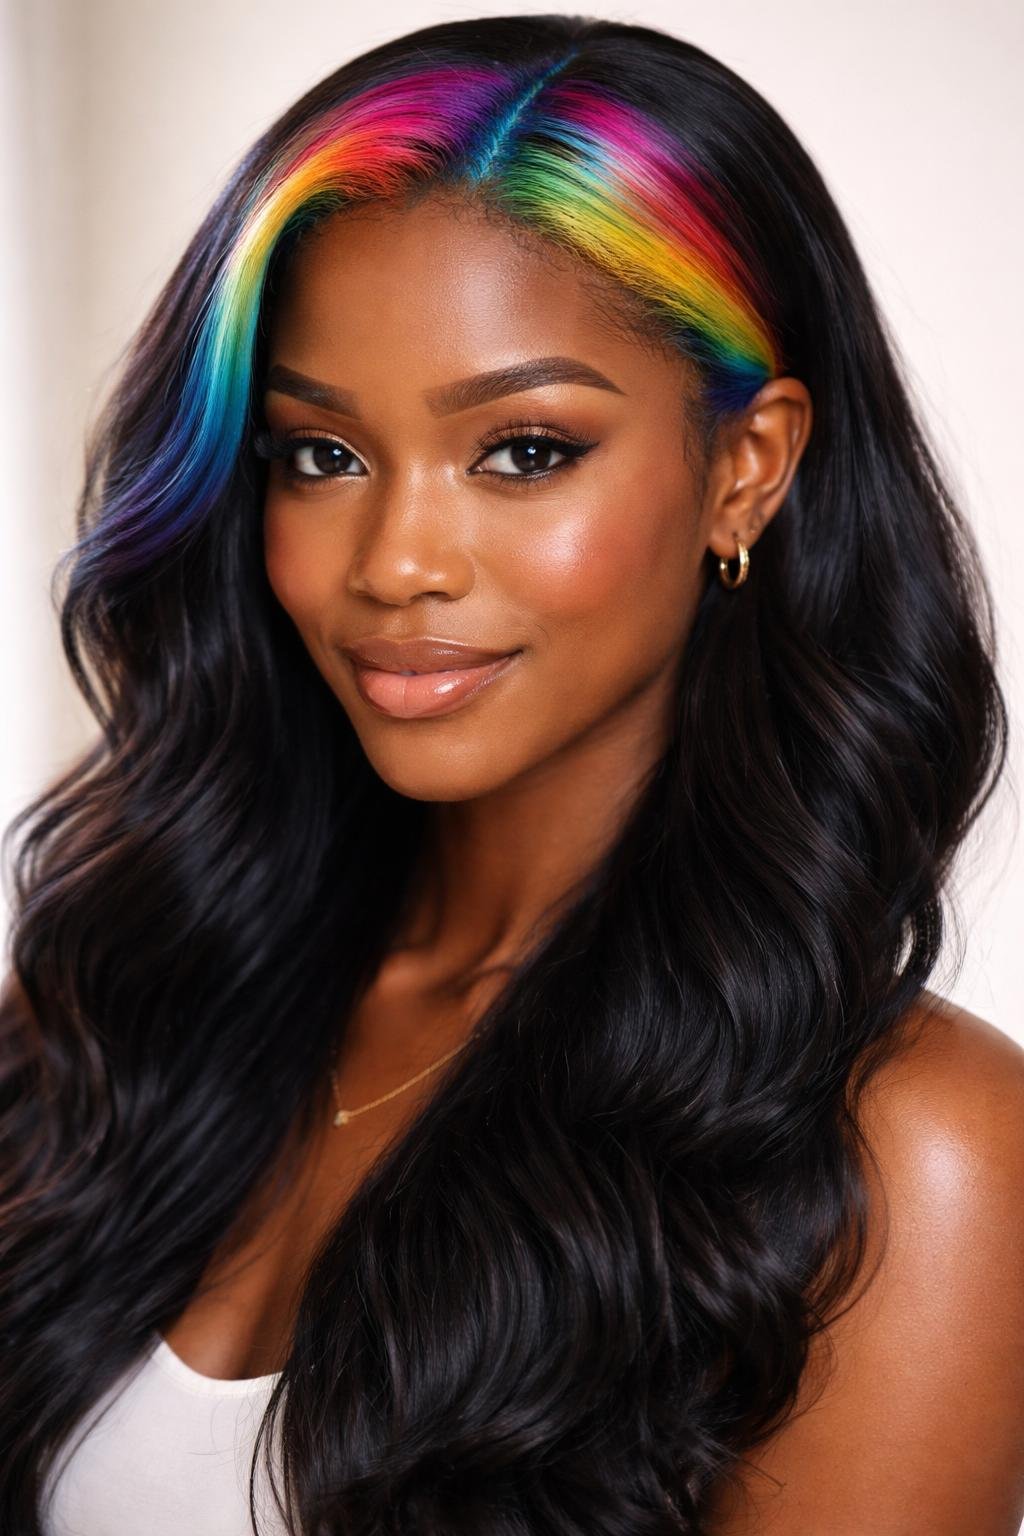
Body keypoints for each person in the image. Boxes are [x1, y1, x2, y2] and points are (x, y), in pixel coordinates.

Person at [2, 13, 1021, 1536]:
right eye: (319, 456)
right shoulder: (120, 1008)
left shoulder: (915, 1159)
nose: (398, 563)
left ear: (748, 465)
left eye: (524, 451)